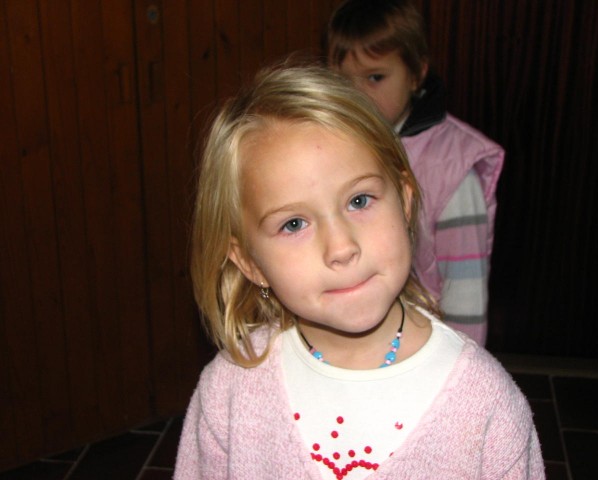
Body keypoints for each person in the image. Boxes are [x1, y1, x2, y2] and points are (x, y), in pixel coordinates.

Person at [174, 63, 543, 479]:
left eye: (359, 200)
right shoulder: (228, 391)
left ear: (404, 203)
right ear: (251, 263)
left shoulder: (484, 401)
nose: (342, 248)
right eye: (293, 224)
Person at [326, 0, 505, 346]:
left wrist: (463, 363)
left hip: (428, 343)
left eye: (375, 77)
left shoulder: (452, 169)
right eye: (343, 80)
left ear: (416, 74)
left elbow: (465, 292)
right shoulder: (334, 145)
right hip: (361, 336)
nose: (356, 94)